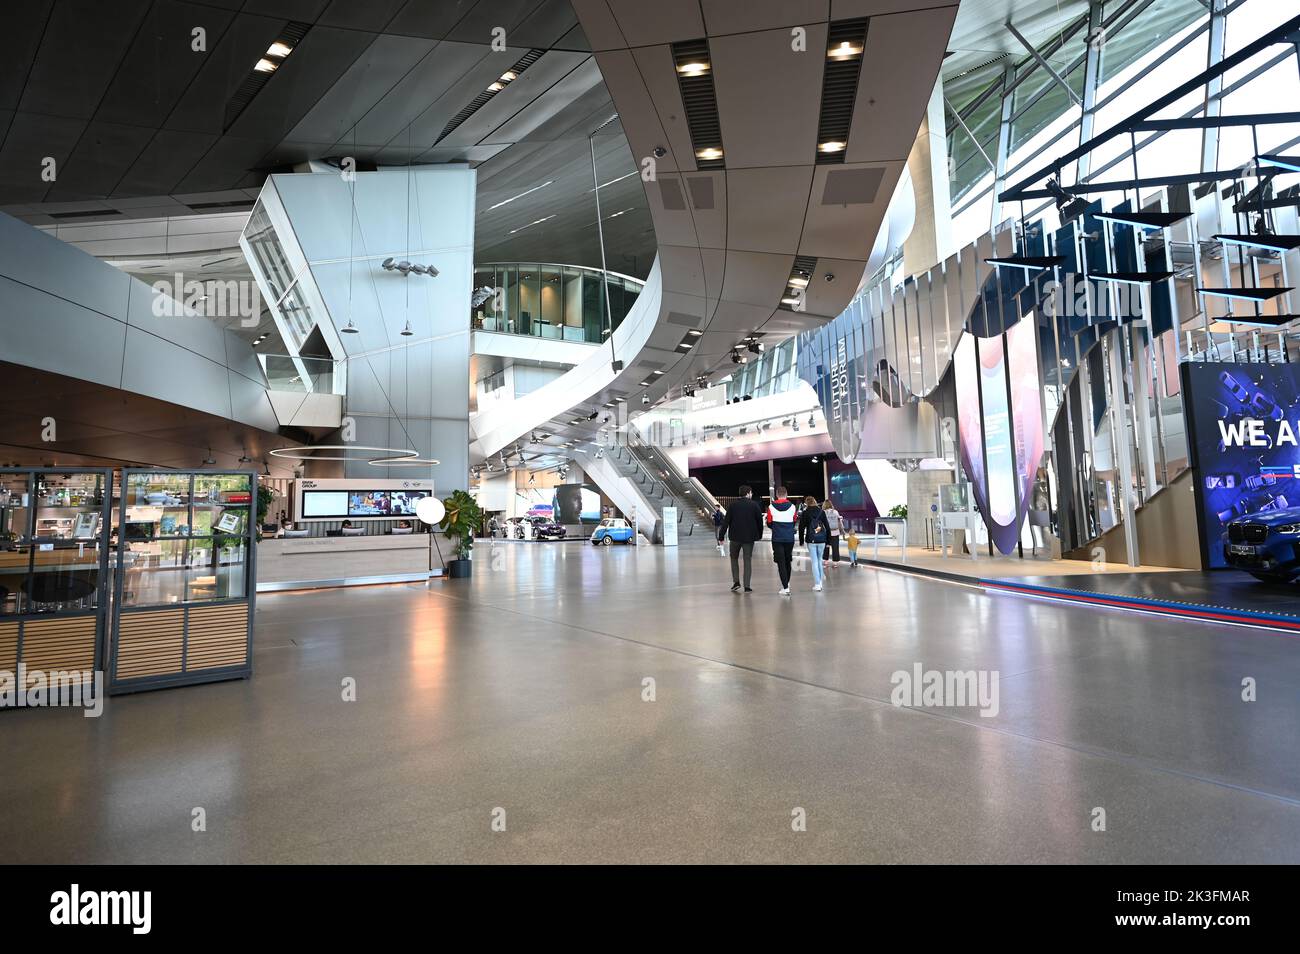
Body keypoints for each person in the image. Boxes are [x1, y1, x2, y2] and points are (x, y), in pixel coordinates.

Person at [717, 486, 763, 592]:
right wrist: (759, 535)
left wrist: (721, 536)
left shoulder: (733, 505)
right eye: (751, 493)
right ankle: (747, 586)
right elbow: (759, 522)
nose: (751, 494)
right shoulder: (754, 505)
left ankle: (736, 582)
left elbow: (726, 522)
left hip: (735, 538)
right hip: (749, 538)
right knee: (747, 560)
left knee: (734, 559)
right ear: (748, 493)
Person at [766, 486, 798, 596]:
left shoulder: (771, 507)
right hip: (789, 538)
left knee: (781, 562)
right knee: (787, 560)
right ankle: (787, 583)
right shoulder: (793, 507)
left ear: (776, 494)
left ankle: (785, 587)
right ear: (786, 494)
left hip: (777, 538)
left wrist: (776, 527)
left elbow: (769, 522)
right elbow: (794, 521)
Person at [798, 496, 831, 592]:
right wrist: (828, 541)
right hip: (822, 540)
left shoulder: (805, 513)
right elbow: (827, 527)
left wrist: (801, 541)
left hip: (811, 540)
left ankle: (817, 584)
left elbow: (801, 528)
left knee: (815, 562)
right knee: (819, 560)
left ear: (806, 503)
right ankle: (820, 580)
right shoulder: (822, 512)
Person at [823, 499, 842, 565]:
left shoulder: (823, 512)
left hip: (826, 533)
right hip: (835, 532)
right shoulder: (835, 512)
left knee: (826, 547)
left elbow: (821, 523)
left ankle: (826, 561)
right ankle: (835, 562)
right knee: (835, 547)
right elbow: (839, 522)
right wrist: (842, 530)